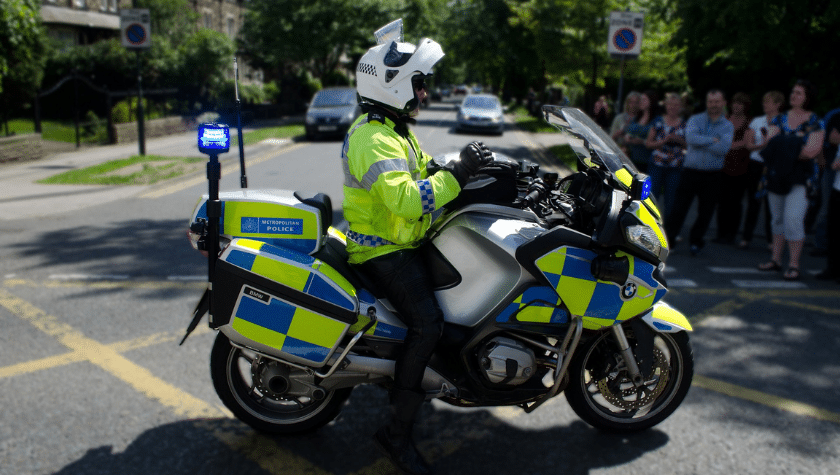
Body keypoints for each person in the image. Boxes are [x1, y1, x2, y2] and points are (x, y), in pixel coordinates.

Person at [343, 22, 492, 475]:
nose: (425, 94)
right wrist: (457, 176)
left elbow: (428, 168)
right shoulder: (371, 137)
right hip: (381, 251)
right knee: (427, 323)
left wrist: (481, 168)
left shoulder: (393, 130)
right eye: (419, 83)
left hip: (405, 241)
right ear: (391, 85)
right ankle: (396, 433)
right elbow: (407, 198)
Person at [758, 80, 825, 281]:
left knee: (793, 219)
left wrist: (783, 146)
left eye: (799, 93)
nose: (793, 95)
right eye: (793, 92)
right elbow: (769, 145)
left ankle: (794, 265)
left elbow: (811, 152)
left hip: (801, 178)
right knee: (777, 218)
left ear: (808, 97)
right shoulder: (779, 119)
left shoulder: (815, 121)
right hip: (776, 175)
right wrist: (794, 145)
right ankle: (776, 260)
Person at [664, 89, 734, 256]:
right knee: (679, 208)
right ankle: (670, 241)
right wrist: (712, 139)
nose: (713, 105)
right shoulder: (695, 119)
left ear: (724, 103)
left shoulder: (727, 125)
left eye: (717, 102)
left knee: (706, 211)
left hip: (713, 174)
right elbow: (690, 139)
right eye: (710, 102)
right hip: (690, 172)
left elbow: (723, 149)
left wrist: (701, 141)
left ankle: (696, 241)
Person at [741, 91, 784, 249]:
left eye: (769, 102)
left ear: (778, 104)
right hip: (756, 164)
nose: (765, 105)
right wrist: (764, 145)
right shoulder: (757, 121)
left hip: (773, 167)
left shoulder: (783, 122)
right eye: (764, 102)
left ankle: (771, 241)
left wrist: (771, 147)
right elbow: (748, 145)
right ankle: (746, 238)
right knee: (753, 202)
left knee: (771, 205)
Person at [714, 92, 754, 244]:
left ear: (745, 106)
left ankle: (731, 234)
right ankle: (720, 233)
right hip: (722, 165)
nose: (737, 106)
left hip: (742, 167)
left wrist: (726, 145)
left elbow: (745, 142)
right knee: (721, 201)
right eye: (735, 102)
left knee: (735, 202)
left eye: (740, 103)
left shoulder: (749, 122)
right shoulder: (724, 120)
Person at [644, 92, 686, 219]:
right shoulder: (658, 121)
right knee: (651, 196)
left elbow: (689, 145)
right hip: (656, 164)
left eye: (676, 105)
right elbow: (648, 144)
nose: (672, 107)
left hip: (675, 167)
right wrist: (663, 141)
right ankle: (648, 221)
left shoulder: (685, 124)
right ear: (666, 105)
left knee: (671, 199)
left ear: (680, 107)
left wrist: (678, 140)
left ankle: (668, 229)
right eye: (670, 104)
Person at [814, 109, 840, 281]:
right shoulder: (837, 116)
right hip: (838, 185)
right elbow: (833, 137)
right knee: (834, 227)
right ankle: (833, 268)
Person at [622, 91, 656, 172]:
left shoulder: (656, 120)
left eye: (644, 100)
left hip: (647, 162)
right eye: (640, 100)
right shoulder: (637, 118)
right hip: (632, 159)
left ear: (651, 101)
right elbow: (628, 133)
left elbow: (655, 140)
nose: (641, 102)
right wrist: (627, 137)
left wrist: (641, 141)